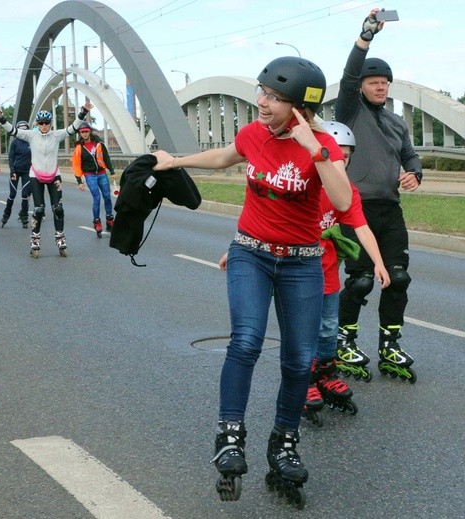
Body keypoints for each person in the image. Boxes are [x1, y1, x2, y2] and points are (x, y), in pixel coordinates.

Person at [154, 56, 352, 506]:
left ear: (300, 106)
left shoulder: (322, 144)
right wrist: (174, 161)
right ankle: (229, 436)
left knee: (300, 361)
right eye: (262, 92)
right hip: (251, 253)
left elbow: (341, 200)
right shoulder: (253, 134)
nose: (262, 102)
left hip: (302, 262)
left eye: (275, 98)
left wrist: (314, 149)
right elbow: (225, 156)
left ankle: (283, 444)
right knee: (246, 341)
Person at [335, 8, 422, 383]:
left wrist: (415, 173)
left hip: (389, 209)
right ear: (362, 86)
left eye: (385, 82)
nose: (380, 86)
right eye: (373, 81)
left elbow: (409, 155)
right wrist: (366, 37)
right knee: (361, 280)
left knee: (398, 278)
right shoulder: (349, 112)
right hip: (356, 209)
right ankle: (344, 342)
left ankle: (390, 343)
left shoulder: (396, 121)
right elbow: (348, 74)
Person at [303, 121, 391, 426]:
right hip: (297, 272)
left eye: (346, 156)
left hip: (327, 272)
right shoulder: (305, 183)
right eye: (334, 155)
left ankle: (325, 374)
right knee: (304, 329)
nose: (341, 161)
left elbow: (362, 227)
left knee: (328, 329)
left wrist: (379, 262)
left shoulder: (346, 191)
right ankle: (303, 380)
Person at [0, 102, 93, 257]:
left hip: (54, 175)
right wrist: (0, 117)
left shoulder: (56, 135)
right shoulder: (31, 135)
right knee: (39, 209)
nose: (44, 126)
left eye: (47, 123)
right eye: (41, 123)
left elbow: (73, 128)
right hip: (36, 175)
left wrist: (83, 112)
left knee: (57, 208)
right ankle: (35, 238)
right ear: (37, 124)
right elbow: (12, 131)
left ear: (50, 124)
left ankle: (59, 236)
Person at [72, 121, 116, 237]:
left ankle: (109, 219)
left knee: (107, 196)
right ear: (80, 133)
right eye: (82, 132)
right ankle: (97, 221)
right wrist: (79, 181)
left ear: (90, 131)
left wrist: (112, 171)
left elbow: (106, 157)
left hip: (102, 173)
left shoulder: (99, 144)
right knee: (96, 198)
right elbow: (76, 165)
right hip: (90, 175)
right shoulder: (79, 148)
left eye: (86, 131)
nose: (85, 134)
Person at [1, 120, 33, 228]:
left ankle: (24, 216)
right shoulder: (15, 142)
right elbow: (11, 157)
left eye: (25, 128)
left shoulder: (31, 142)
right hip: (16, 171)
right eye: (21, 128)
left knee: (25, 195)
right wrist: (12, 170)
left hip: (27, 172)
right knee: (12, 194)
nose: (23, 130)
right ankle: (6, 213)